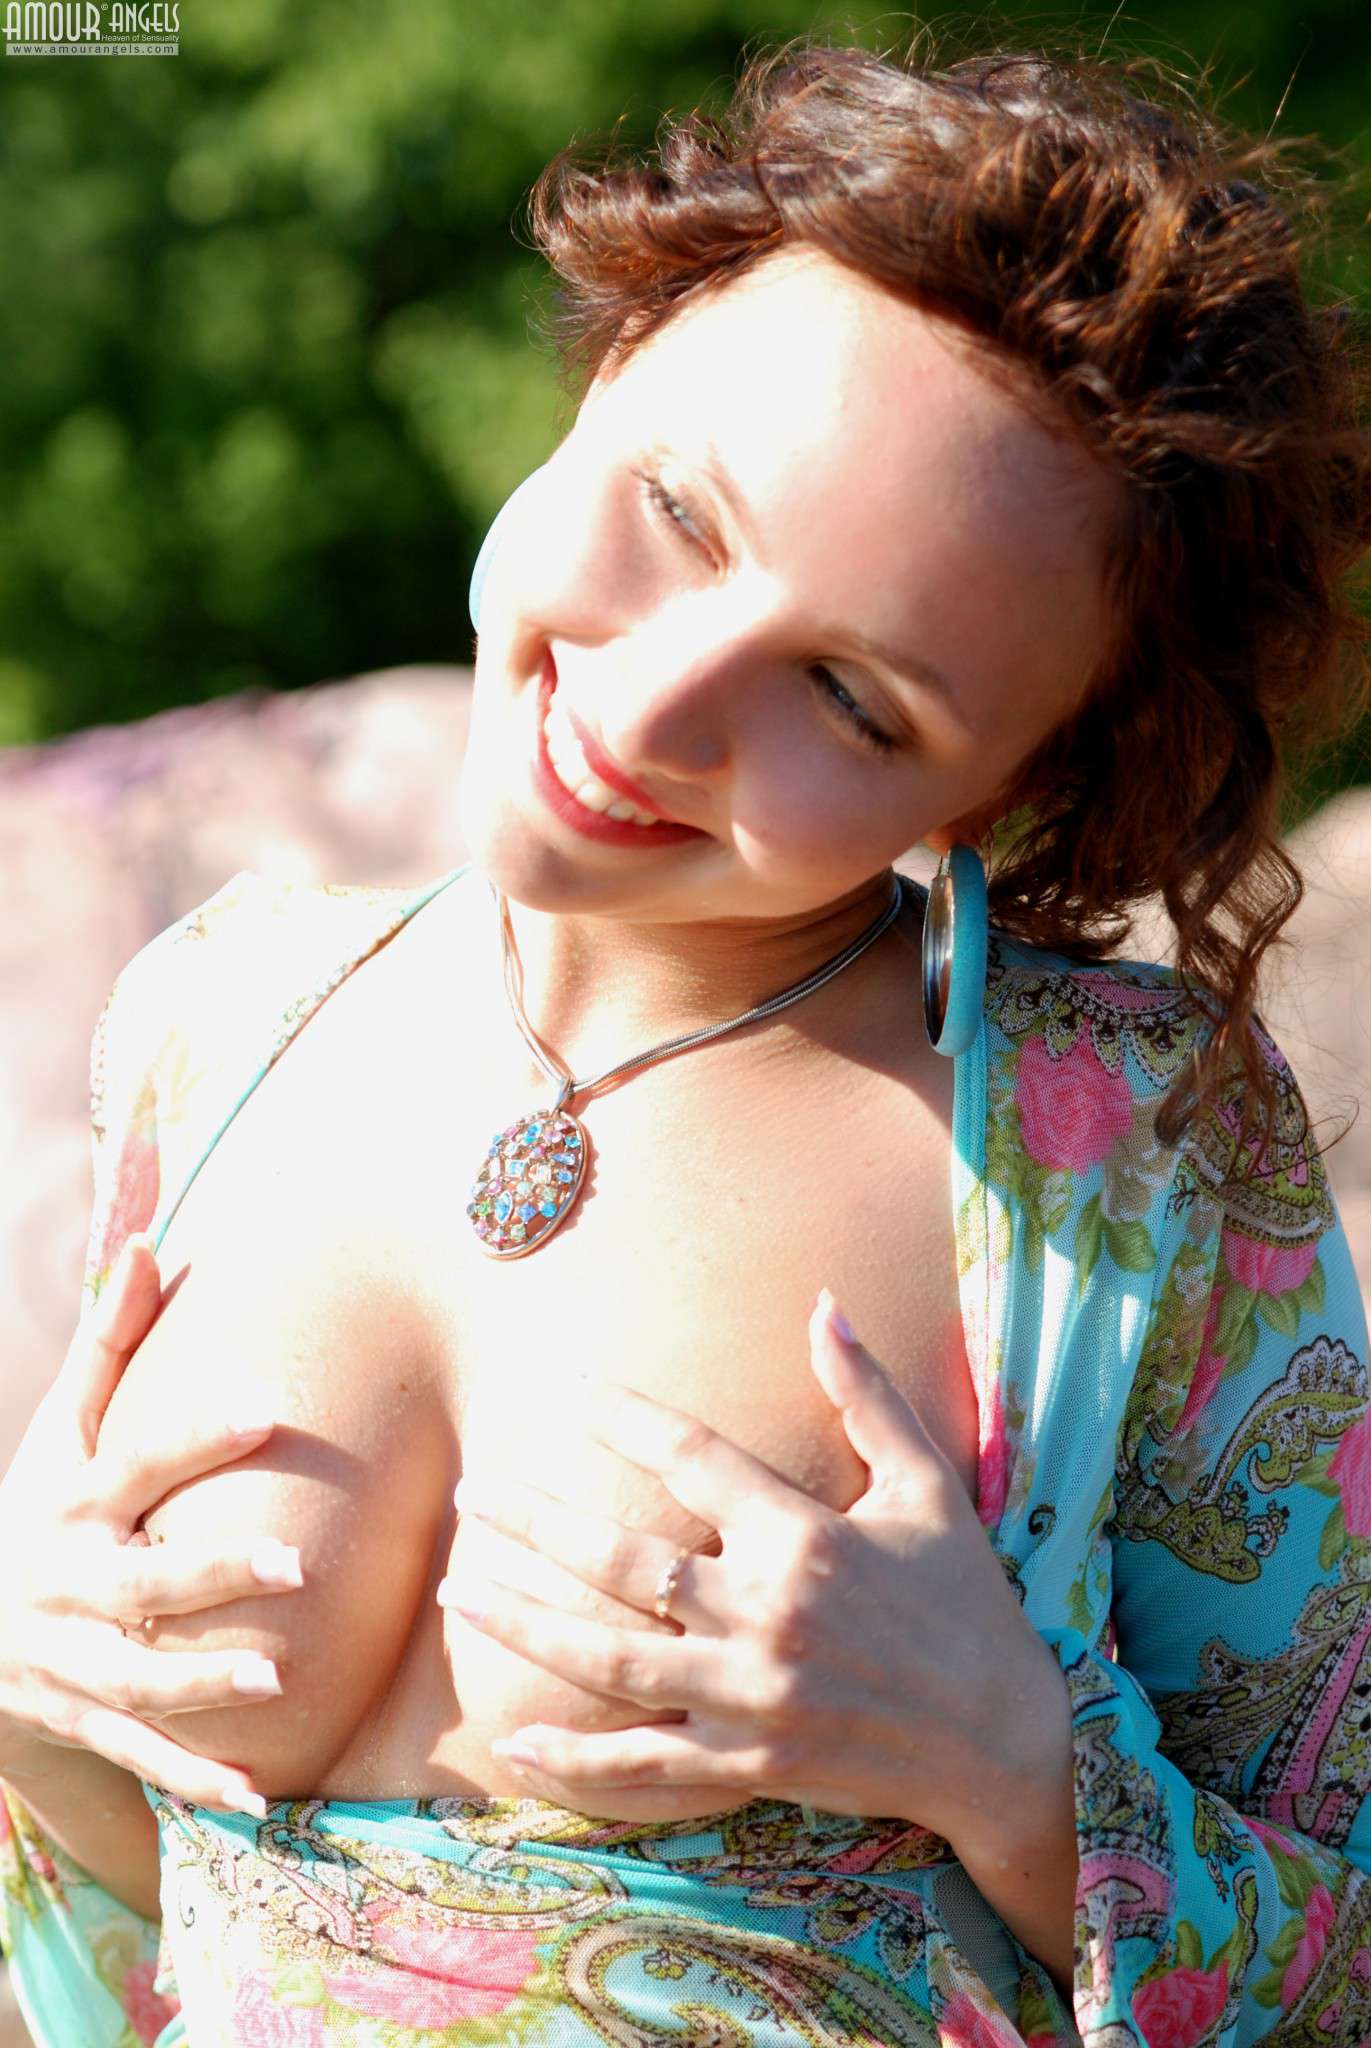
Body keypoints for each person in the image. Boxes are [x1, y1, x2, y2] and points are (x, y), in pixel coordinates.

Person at [2, 31, 1370, 2047]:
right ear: (613, 356)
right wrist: (23, 1692)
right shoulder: (217, 1017)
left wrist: (1012, 1767)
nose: (649, 711)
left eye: (854, 699)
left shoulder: (1123, 1142)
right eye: (676, 511)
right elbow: (140, 1908)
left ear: (1007, 791)